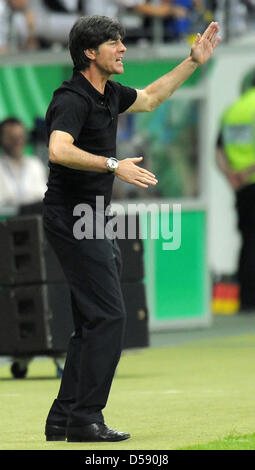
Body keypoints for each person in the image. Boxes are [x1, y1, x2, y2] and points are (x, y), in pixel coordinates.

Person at [43, 15, 220, 443]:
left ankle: (64, 418)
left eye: (122, 41)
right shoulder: (71, 98)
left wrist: (192, 61)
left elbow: (153, 97)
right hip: (72, 217)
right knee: (109, 316)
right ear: (90, 52)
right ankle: (86, 419)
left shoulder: (109, 93)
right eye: (114, 43)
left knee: (92, 320)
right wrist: (111, 165)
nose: (123, 48)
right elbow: (58, 149)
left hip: (93, 218)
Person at [216, 82, 255, 312]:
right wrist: (249, 171)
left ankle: (247, 298)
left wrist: (232, 175)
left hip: (241, 188)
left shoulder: (232, 110)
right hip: (251, 178)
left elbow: (218, 150)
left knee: (247, 241)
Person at [0, 117, 47, 207]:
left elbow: (43, 195)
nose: (18, 141)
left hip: (34, 216)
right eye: (11, 137)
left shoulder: (35, 164)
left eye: (20, 136)